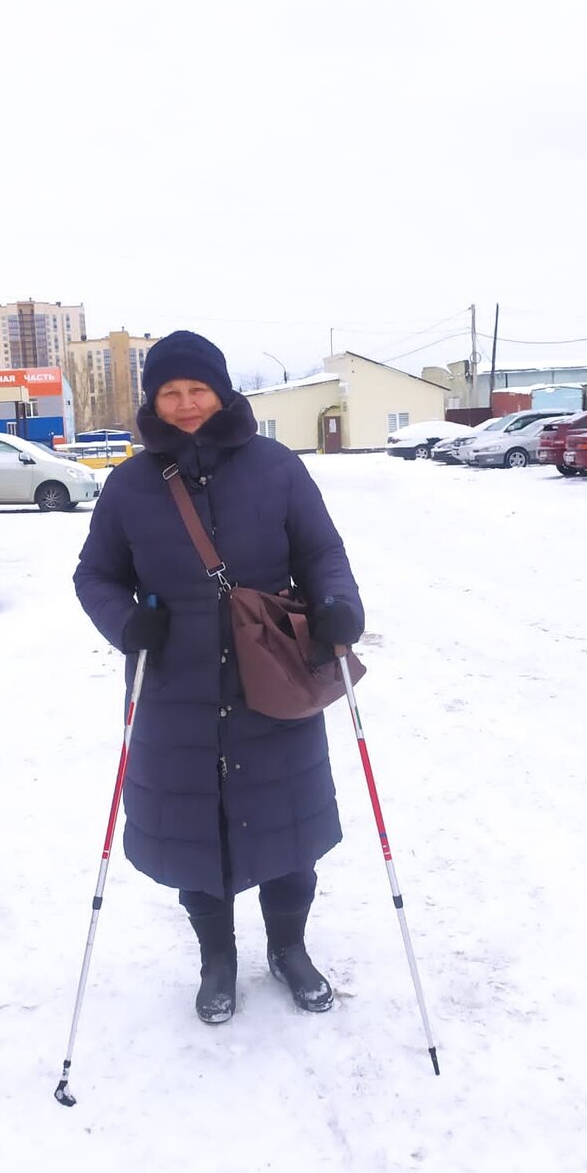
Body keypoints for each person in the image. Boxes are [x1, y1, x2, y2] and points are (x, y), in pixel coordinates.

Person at [72, 330, 364, 1025]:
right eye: (170, 393)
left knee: (289, 837)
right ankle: (217, 962)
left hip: (274, 680)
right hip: (175, 689)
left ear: (223, 391)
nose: (184, 405)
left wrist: (337, 605)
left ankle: (289, 951)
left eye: (197, 390)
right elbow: (95, 574)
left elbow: (322, 551)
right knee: (196, 844)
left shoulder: (276, 468)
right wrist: (124, 624)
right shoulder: (130, 484)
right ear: (154, 400)